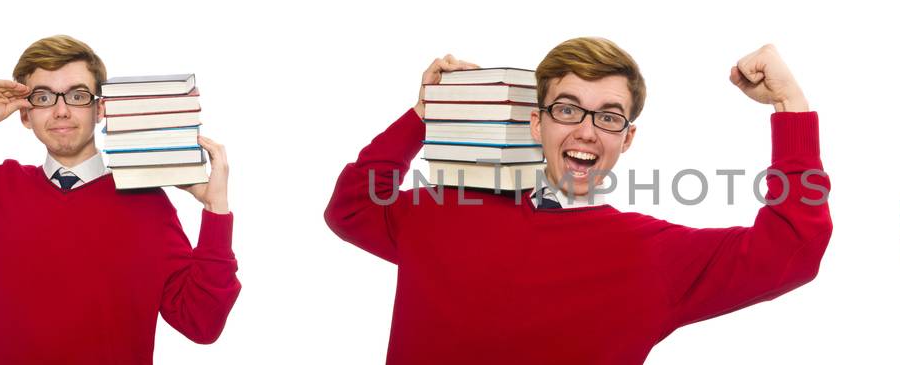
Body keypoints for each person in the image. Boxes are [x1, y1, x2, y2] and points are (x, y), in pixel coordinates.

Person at [325, 37, 831, 364]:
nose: (587, 131)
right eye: (568, 109)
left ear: (627, 138)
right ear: (536, 122)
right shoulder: (443, 210)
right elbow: (350, 208)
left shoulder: (653, 255)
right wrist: (423, 112)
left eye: (609, 116)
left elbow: (793, 247)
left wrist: (791, 105)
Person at [0, 35, 240, 364]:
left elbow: (202, 324)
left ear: (101, 108)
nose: (61, 110)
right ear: (25, 114)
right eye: (43, 97)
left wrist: (215, 210)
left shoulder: (148, 205)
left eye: (77, 95)